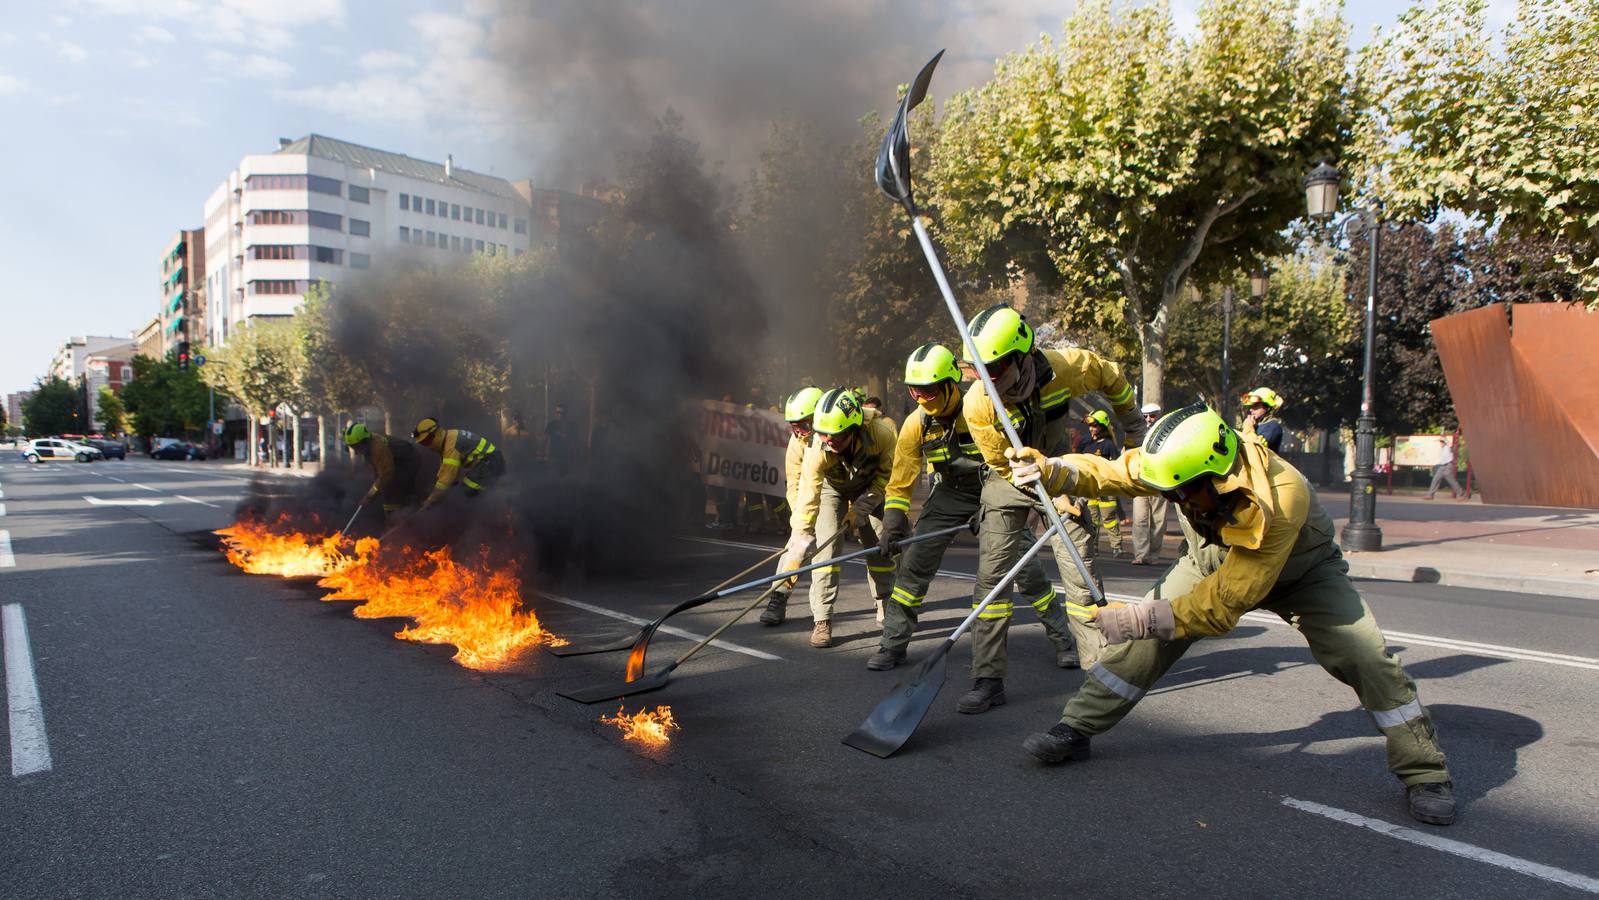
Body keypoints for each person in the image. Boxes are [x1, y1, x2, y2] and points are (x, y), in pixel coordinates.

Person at [1007, 403, 1456, 826]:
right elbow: (1109, 472)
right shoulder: (1182, 463)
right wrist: (1050, 469)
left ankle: (1425, 772)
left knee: (1366, 658)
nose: (1178, 501)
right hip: (1209, 560)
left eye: (1183, 493)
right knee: (1142, 647)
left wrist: (1135, 618)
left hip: (1304, 575)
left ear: (1216, 478)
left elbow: (1223, 606)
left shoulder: (1281, 498)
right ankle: (1076, 728)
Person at [960, 303, 1143, 713]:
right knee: (993, 578)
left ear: (1021, 357)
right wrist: (1036, 490)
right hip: (1009, 476)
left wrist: (1132, 424)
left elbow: (1111, 375)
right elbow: (999, 463)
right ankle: (987, 678)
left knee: (1079, 566)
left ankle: (1097, 669)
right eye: (974, 370)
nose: (983, 380)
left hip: (1061, 466)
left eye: (992, 370)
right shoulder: (977, 403)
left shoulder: (1066, 368)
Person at [870, 344, 1079, 672]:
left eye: (929, 391)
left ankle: (1063, 638)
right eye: (915, 392)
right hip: (950, 494)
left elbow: (1021, 459)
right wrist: (893, 521)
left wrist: (1042, 498)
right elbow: (901, 479)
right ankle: (892, 643)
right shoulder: (917, 424)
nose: (923, 399)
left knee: (1026, 570)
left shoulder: (984, 407)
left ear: (951, 383)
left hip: (996, 488)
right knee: (913, 566)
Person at [779, 388, 896, 649]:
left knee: (880, 543)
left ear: (853, 429)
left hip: (869, 488)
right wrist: (800, 535)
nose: (828, 441)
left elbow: (885, 479)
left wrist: (861, 510)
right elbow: (807, 492)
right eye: (823, 435)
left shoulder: (883, 434)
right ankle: (822, 619)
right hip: (833, 488)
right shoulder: (816, 446)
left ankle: (886, 602)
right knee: (826, 550)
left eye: (837, 437)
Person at [761, 385, 824, 626]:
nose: (799, 431)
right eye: (794, 426)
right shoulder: (798, 441)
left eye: (804, 425)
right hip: (812, 497)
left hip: (849, 494)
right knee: (797, 546)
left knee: (879, 542)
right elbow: (794, 482)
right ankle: (778, 597)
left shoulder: (838, 432)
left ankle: (886, 601)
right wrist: (800, 520)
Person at [412, 417, 506, 508]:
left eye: (427, 441)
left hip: (489, 464)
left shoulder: (451, 446)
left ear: (436, 433)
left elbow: (447, 477)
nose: (428, 446)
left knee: (463, 495)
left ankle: (481, 517)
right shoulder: (449, 437)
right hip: (487, 463)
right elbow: (445, 470)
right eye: (423, 443)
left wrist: (430, 501)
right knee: (460, 490)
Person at [344, 423, 424, 525]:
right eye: (352, 447)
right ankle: (396, 518)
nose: (355, 452)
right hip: (395, 462)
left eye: (357, 446)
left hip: (408, 462)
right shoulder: (368, 446)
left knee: (391, 488)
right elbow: (378, 472)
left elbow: (386, 473)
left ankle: (399, 521)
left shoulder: (378, 448)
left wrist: (369, 496)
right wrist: (372, 493)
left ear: (365, 441)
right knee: (384, 488)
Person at [1128, 402, 1170, 565]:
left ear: (1159, 415)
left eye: (1152, 415)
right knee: (1140, 519)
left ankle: (1153, 555)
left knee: (1158, 520)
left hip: (1159, 481)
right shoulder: (1136, 434)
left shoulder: (1166, 432)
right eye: (1145, 416)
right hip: (1141, 480)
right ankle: (1140, 555)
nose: (1148, 419)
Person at [1080, 410, 1125, 557]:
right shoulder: (1085, 442)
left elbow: (1116, 464)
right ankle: (1093, 546)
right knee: (1092, 519)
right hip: (1089, 487)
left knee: (1109, 518)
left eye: (1094, 426)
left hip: (1105, 488)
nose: (1091, 428)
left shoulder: (1108, 445)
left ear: (1102, 427)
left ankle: (1117, 546)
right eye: (1090, 426)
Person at [1241, 387, 1285, 452]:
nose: (1251, 409)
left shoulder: (1273, 426)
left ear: (1267, 407)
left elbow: (1258, 448)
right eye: (1251, 406)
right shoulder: (1254, 425)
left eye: (1256, 406)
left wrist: (1249, 428)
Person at [1424, 434, 1464, 500]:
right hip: (1441, 467)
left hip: (1448, 466)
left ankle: (1460, 493)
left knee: (1451, 481)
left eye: (1441, 441)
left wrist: (1445, 439)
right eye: (1440, 441)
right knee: (1435, 480)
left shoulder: (1448, 447)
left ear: (1444, 441)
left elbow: (1451, 445)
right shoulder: (1442, 449)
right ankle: (1430, 495)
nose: (1440, 443)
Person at [545, 404, 576, 473]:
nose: (560, 415)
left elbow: (576, 442)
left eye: (562, 413)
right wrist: (543, 453)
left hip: (567, 458)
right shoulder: (551, 425)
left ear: (566, 413)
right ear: (556, 413)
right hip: (554, 457)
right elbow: (545, 439)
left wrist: (575, 455)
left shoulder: (572, 426)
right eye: (558, 412)